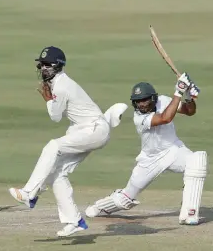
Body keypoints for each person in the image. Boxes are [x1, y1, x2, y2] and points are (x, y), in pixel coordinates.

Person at [8, 46, 128, 237]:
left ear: (57, 66)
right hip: (86, 130)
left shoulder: (62, 86)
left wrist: (48, 100)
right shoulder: (58, 84)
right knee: (57, 174)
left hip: (95, 130)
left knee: (53, 146)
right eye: (41, 64)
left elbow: (55, 116)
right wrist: (50, 98)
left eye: (47, 64)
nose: (43, 68)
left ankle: (30, 193)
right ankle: (74, 220)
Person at [85, 73, 206, 225]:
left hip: (174, 149)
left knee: (197, 160)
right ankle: (100, 207)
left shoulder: (164, 100)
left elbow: (190, 111)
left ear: (153, 98)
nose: (141, 104)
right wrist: (179, 91)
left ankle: (189, 213)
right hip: (150, 160)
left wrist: (188, 96)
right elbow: (165, 118)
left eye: (144, 100)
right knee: (126, 199)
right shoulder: (139, 118)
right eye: (137, 102)